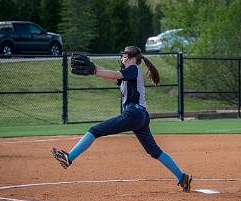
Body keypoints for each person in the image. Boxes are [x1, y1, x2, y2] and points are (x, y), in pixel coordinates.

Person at [52, 46, 192, 192]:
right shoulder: (128, 73)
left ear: (131, 58)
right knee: (154, 151)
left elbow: (115, 75)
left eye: (124, 55)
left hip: (133, 114)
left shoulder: (133, 69)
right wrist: (94, 67)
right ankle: (182, 177)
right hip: (140, 116)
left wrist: (95, 70)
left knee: (95, 130)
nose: (122, 58)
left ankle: (69, 157)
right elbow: (112, 76)